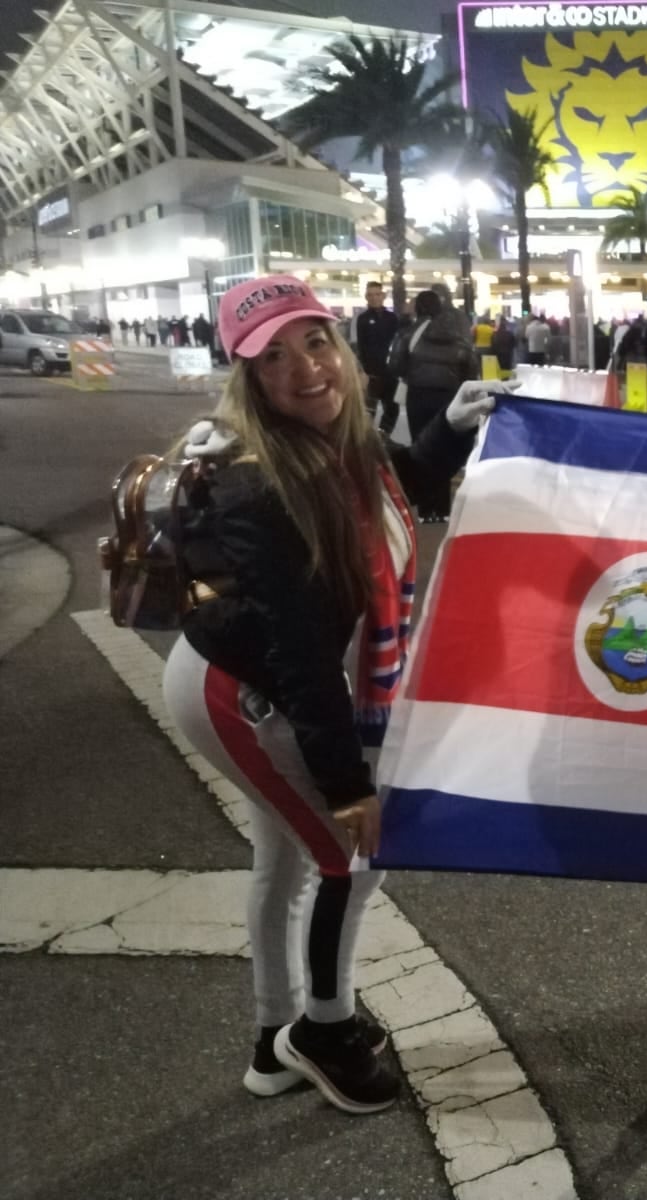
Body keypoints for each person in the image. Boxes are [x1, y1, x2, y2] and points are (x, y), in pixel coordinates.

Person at [161, 275, 497, 1116]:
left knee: (285, 859)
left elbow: (409, 489)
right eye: (273, 358)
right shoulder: (259, 480)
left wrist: (452, 428)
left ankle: (272, 1044)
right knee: (352, 854)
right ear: (249, 379)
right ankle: (325, 1029)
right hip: (240, 691)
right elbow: (302, 654)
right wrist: (348, 785)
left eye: (312, 341)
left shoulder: (348, 439)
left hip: (269, 679)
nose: (304, 368)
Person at [388, 288, 476, 521]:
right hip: (448, 394)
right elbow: (469, 363)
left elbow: (396, 364)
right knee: (442, 445)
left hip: (418, 394)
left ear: (418, 308)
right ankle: (443, 509)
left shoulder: (411, 333)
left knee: (422, 447)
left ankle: (426, 510)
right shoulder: (456, 331)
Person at [351, 281, 400, 435]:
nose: (374, 298)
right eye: (370, 295)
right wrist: (361, 371)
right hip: (371, 372)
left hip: (390, 372)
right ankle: (367, 439)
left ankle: (384, 435)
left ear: (383, 296)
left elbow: (398, 343)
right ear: (366, 297)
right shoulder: (362, 319)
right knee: (368, 409)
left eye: (377, 294)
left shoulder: (392, 318)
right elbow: (359, 346)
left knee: (392, 407)